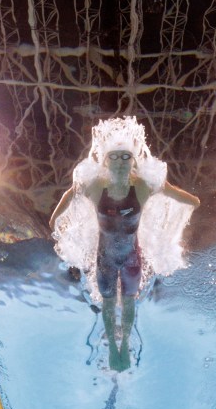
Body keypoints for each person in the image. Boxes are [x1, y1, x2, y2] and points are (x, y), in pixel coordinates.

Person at [50, 117, 200, 371]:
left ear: (133, 161)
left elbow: (175, 193)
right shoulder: (96, 188)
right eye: (115, 157)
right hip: (105, 260)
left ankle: (126, 342)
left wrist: (191, 201)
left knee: (129, 302)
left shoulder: (141, 188)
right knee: (109, 303)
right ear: (105, 161)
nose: (120, 163)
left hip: (131, 259)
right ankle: (112, 350)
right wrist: (55, 218)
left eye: (125, 157)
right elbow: (71, 192)